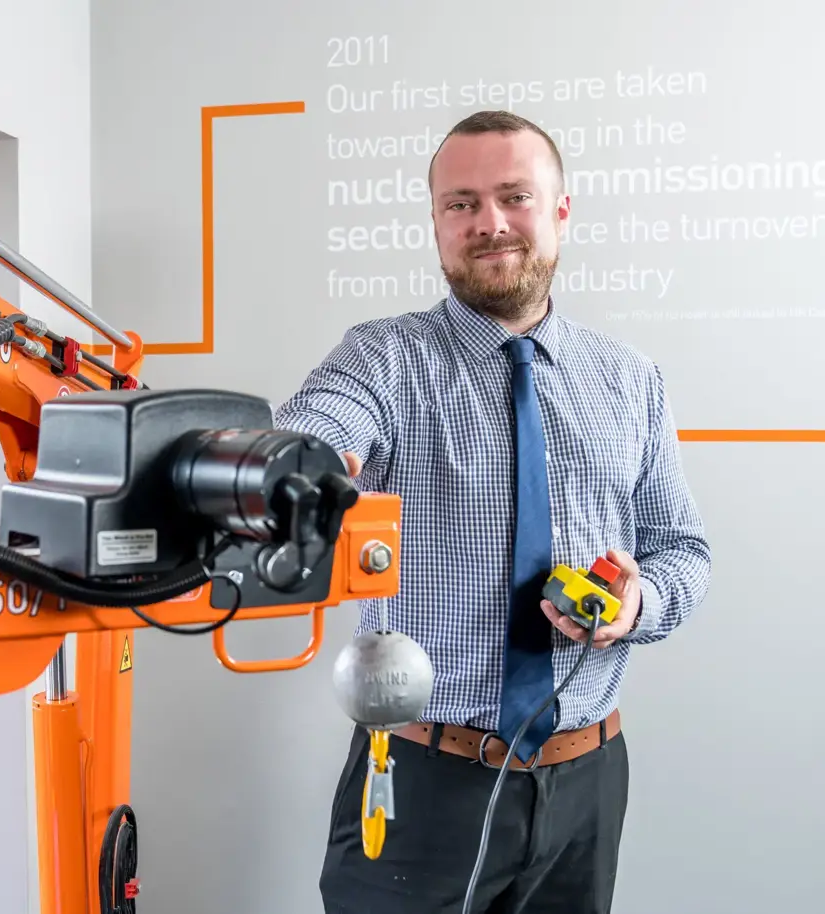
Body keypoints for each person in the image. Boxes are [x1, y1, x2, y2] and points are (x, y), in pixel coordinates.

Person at [272, 109, 712, 913]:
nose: (490, 223)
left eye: (514, 196)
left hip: (587, 783)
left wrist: (637, 603)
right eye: (461, 203)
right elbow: (317, 429)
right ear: (437, 222)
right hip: (423, 783)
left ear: (561, 211)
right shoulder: (382, 358)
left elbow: (682, 548)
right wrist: (299, 467)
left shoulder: (630, 379)